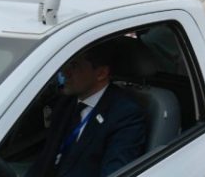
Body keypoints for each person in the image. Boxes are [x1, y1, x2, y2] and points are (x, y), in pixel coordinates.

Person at [26, 44, 146, 177]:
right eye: (66, 64)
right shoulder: (66, 102)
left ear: (101, 73)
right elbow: (46, 158)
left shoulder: (124, 115)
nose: (64, 72)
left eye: (74, 66)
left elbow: (114, 171)